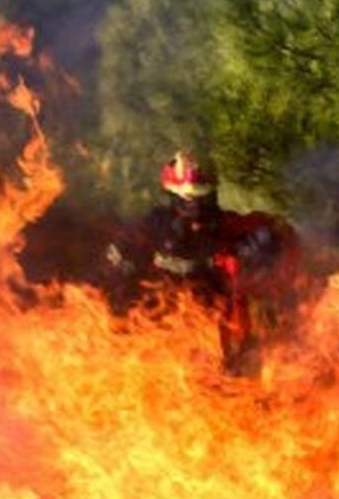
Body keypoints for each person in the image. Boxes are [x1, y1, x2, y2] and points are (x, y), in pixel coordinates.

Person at [103, 151, 302, 375]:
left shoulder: (229, 228)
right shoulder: (152, 229)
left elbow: (280, 233)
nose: (197, 209)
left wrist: (260, 246)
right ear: (173, 198)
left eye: (203, 199)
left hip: (223, 343)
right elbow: (117, 258)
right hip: (162, 340)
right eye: (189, 201)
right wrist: (122, 266)